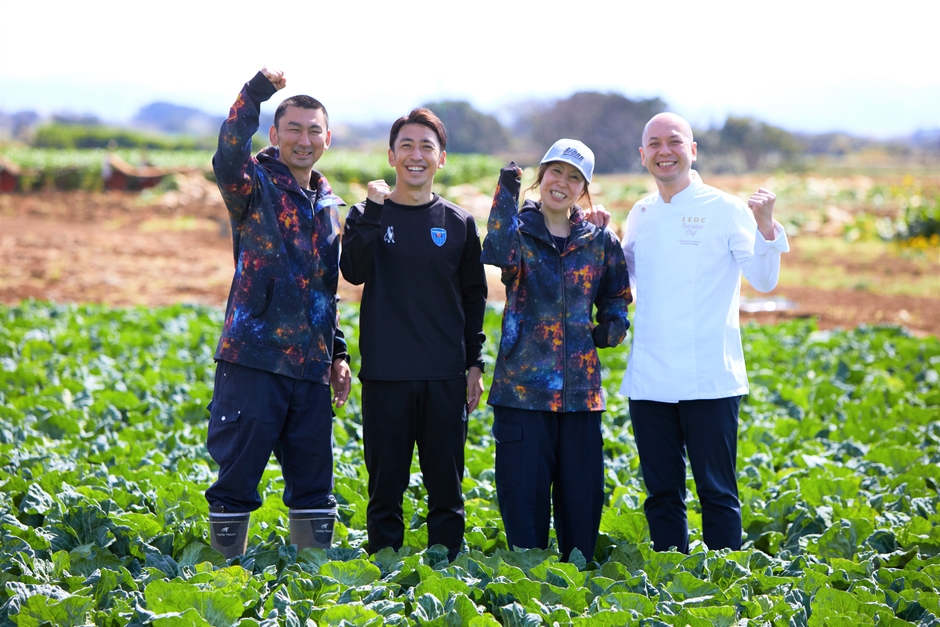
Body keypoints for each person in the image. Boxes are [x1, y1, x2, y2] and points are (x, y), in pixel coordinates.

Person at [614, 112, 789, 553]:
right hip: (650, 379)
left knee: (717, 493)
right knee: (662, 495)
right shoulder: (640, 213)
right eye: (653, 144)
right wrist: (599, 239)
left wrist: (767, 227)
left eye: (674, 142)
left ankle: (722, 584)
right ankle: (673, 580)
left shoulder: (727, 209)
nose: (664, 151)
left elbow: (764, 281)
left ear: (692, 151)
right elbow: (625, 283)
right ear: (642, 156)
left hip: (709, 377)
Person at [205, 67, 351, 559]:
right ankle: (224, 576)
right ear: (275, 134)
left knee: (314, 484)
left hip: (310, 370)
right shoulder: (253, 186)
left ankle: (314, 582)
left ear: (327, 138)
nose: (304, 139)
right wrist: (255, 92)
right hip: (254, 360)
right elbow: (227, 152)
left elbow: (325, 291)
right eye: (294, 128)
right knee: (236, 479)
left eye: (314, 130)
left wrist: (337, 354)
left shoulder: (331, 206)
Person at [340, 108, 487, 561]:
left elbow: (473, 299)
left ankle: (446, 572)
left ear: (441, 158)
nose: (416, 155)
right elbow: (353, 269)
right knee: (385, 489)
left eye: (427, 146)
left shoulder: (459, 223)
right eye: (406, 145)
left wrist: (474, 364)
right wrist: (372, 213)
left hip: (444, 376)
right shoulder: (368, 215)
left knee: (447, 488)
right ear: (391, 155)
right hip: (386, 376)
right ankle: (384, 571)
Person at [481, 139, 631, 562]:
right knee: (523, 503)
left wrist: (614, 324)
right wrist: (506, 193)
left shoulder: (600, 241)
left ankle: (576, 588)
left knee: (581, 504)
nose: (561, 183)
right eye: (555, 172)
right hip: (523, 393)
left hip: (582, 396)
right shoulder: (519, 234)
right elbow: (495, 251)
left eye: (573, 177)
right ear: (540, 176)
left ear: (584, 188)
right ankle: (529, 585)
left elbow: (617, 293)